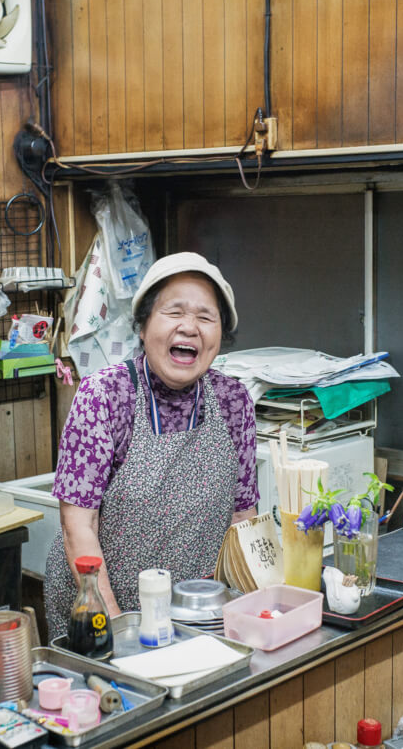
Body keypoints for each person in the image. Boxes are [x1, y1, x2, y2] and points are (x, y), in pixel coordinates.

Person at [44, 252, 257, 638]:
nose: (189, 328)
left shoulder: (233, 401)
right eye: (174, 312)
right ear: (142, 327)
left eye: (206, 318)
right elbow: (78, 524)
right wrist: (116, 627)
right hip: (99, 610)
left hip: (193, 616)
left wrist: (256, 609)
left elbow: (243, 519)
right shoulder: (105, 397)